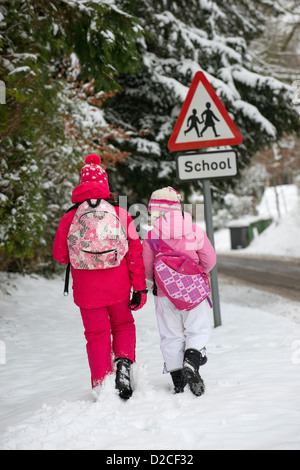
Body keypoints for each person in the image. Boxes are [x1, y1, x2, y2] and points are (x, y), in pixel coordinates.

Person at [53, 154, 147, 400]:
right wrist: (140, 288)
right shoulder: (121, 213)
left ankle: (102, 385)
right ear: (105, 184)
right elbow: (135, 254)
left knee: (96, 335)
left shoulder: (70, 217)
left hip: (87, 292)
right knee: (123, 325)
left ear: (81, 183)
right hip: (119, 287)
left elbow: (60, 255)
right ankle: (124, 364)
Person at [142, 187, 216, 396]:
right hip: (193, 293)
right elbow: (209, 260)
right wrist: (193, 274)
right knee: (198, 329)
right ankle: (192, 361)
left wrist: (165, 281)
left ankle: (178, 380)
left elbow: (147, 269)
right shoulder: (194, 230)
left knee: (170, 335)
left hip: (165, 293)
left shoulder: (151, 235)